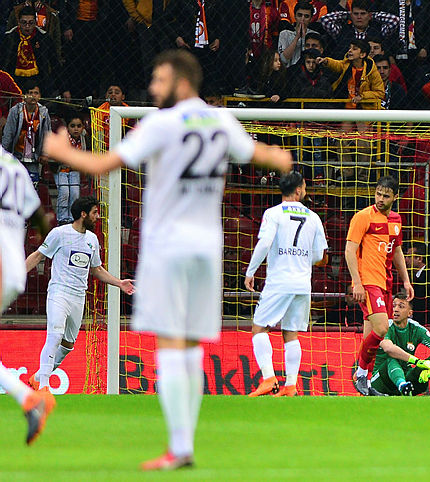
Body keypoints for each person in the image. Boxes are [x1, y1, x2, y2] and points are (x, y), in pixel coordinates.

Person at [42, 49, 292, 470]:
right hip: (206, 249)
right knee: (190, 344)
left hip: (168, 246)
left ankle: (179, 447)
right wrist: (279, 157)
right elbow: (261, 154)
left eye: (160, 80)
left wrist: (60, 150)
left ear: (181, 81)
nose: (153, 87)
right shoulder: (220, 120)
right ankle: (185, 443)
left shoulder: (161, 124)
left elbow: (103, 163)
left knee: (171, 343)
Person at [25, 196, 136, 391]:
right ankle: (43, 387)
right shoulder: (59, 234)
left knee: (68, 345)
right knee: (55, 335)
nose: (97, 216)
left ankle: (39, 376)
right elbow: (38, 256)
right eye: (94, 212)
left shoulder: (92, 239)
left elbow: (97, 269)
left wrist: (119, 283)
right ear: (83, 214)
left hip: (78, 297)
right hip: (59, 292)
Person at [245, 172, 328, 397]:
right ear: (298, 190)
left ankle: (269, 378)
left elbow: (264, 244)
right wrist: (301, 259)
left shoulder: (273, 214)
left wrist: (251, 271)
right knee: (291, 333)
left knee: (259, 328)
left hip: (279, 281)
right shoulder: (313, 217)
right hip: (302, 284)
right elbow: (319, 255)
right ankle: (290, 385)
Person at [0, 147, 55, 445]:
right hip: (14, 268)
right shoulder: (15, 166)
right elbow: (40, 220)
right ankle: (29, 399)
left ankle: (29, 398)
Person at [344, 175, 414, 396]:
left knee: (371, 337)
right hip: (368, 282)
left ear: (395, 197)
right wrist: (357, 283)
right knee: (383, 328)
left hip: (386, 282)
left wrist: (406, 279)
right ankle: (361, 374)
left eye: (385, 196)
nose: (380, 199)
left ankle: (365, 383)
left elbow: (397, 250)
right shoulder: (363, 217)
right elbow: (349, 251)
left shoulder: (396, 219)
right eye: (378, 194)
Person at [1, 82, 51, 185]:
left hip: (34, 157)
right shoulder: (15, 111)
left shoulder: (43, 112)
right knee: (15, 186)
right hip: (16, 155)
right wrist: (4, 154)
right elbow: (8, 133)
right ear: (24, 96)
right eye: (30, 93)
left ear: (40, 96)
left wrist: (45, 154)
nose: (33, 96)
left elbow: (47, 134)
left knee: (32, 186)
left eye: (36, 93)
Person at [317, 39, 384, 109]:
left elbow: (380, 92)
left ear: (362, 54)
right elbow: (338, 65)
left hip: (364, 110)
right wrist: (326, 61)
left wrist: (362, 96)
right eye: (350, 48)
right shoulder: (346, 65)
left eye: (354, 49)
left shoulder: (371, 70)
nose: (349, 50)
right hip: (344, 108)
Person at [53, 114, 85, 225]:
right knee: (64, 192)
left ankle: (72, 219)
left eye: (79, 126)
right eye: (72, 126)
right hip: (61, 170)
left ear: (83, 127)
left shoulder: (84, 139)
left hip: (75, 170)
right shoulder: (62, 138)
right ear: (67, 127)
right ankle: (62, 219)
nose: (76, 129)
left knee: (75, 194)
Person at [277, 2, 318, 66]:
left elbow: (314, 57)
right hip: (288, 70)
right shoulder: (285, 34)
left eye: (306, 16)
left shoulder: (315, 35)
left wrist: (304, 37)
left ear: (311, 19)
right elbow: (283, 59)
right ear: (295, 16)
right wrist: (297, 37)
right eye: (299, 15)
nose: (302, 19)